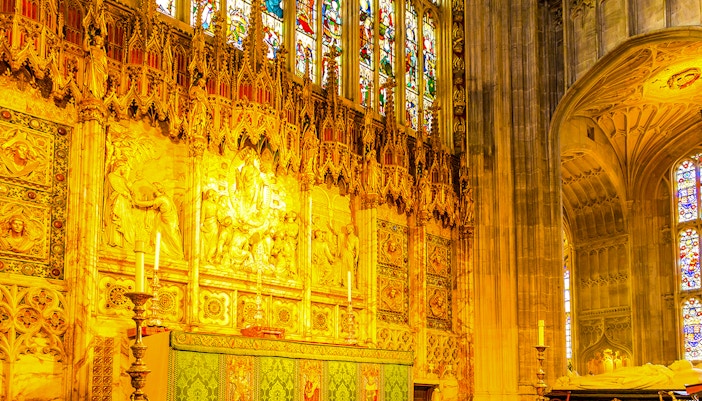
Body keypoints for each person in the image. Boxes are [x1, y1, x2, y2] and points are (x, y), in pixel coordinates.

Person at [555, 360, 702, 390]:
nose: (675, 361)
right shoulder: (664, 370)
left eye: (678, 362)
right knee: (615, 374)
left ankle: (578, 382)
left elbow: (692, 384)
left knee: (612, 379)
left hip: (635, 379)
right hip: (637, 373)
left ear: (681, 367)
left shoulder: (667, 374)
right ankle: (580, 379)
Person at [133, 183, 184, 259]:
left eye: (153, 187)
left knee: (172, 235)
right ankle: (157, 249)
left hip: (168, 220)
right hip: (163, 219)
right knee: (157, 233)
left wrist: (137, 202)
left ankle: (178, 252)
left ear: (156, 189)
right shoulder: (164, 196)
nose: (151, 189)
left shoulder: (161, 198)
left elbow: (150, 203)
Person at [105, 162, 134, 248]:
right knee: (117, 220)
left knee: (125, 221)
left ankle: (123, 243)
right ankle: (115, 241)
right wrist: (125, 193)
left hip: (125, 203)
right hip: (117, 201)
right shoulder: (111, 176)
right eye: (124, 167)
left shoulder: (124, 179)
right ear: (119, 166)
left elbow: (130, 190)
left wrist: (130, 190)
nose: (125, 170)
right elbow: (115, 187)